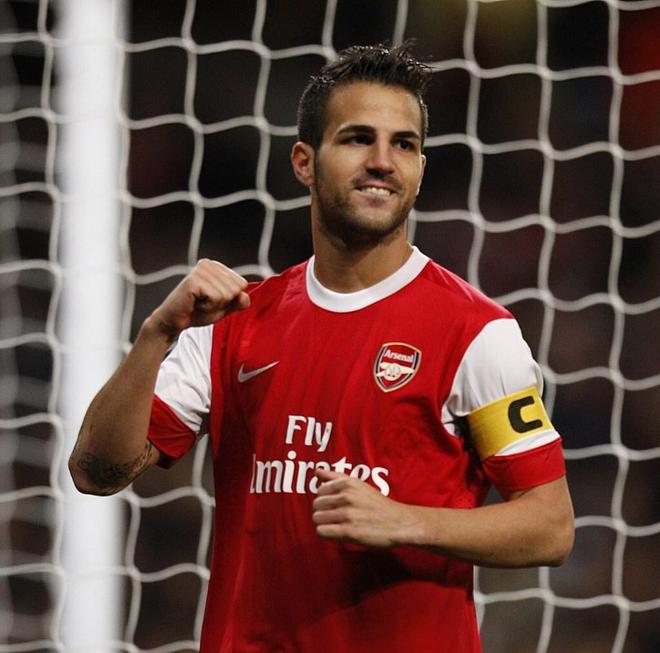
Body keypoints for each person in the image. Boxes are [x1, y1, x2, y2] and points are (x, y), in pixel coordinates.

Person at [70, 43, 574, 652]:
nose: (383, 161)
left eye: (403, 145)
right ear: (304, 162)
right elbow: (96, 472)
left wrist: (406, 522)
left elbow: (550, 526)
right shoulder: (234, 323)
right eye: (358, 139)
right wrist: (158, 334)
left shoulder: (476, 333)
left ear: (420, 168)